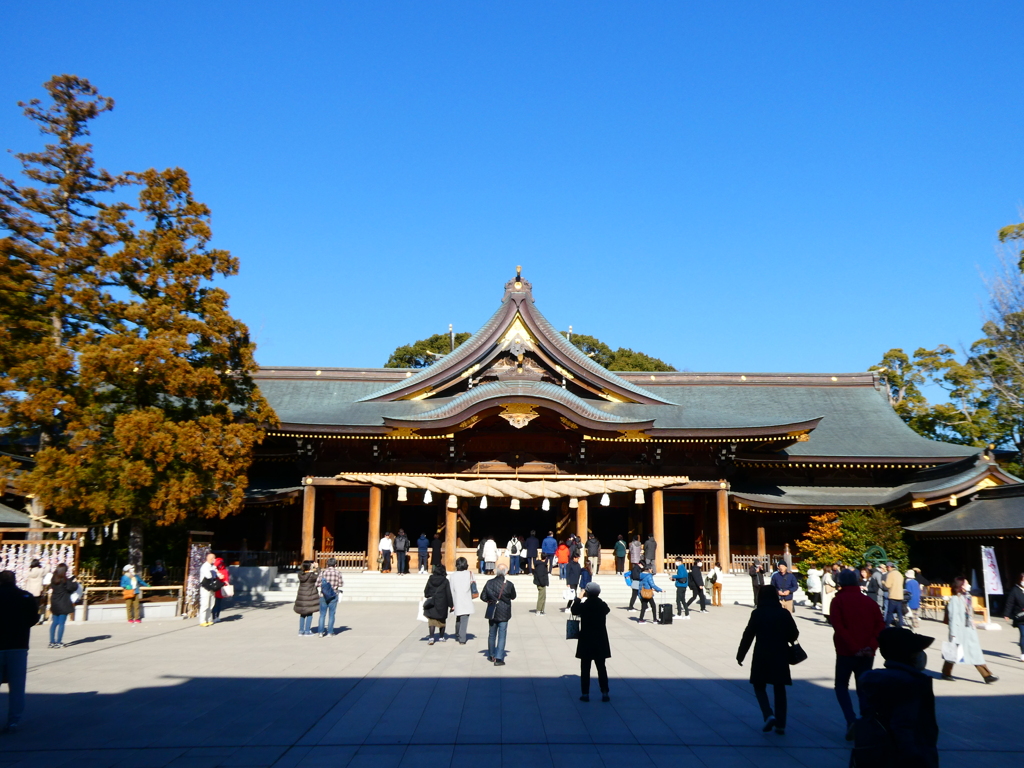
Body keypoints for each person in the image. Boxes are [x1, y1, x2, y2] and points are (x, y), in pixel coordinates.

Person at [852, 628, 938, 768]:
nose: (922, 656)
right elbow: (903, 726)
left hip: (879, 755)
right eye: (917, 652)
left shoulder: (875, 681)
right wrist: (917, 760)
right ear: (909, 656)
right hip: (907, 757)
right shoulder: (910, 685)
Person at [736, 585, 799, 736]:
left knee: (759, 685)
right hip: (780, 653)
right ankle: (781, 725)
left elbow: (748, 635)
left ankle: (768, 714)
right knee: (779, 688)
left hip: (762, 653)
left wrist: (741, 654)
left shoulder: (757, 613)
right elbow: (794, 634)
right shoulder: (783, 613)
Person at [829, 568, 884, 736]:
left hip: (846, 652)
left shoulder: (838, 602)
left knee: (841, 686)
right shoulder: (869, 602)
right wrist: (871, 646)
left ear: (840, 584)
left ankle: (851, 719)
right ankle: (867, 721)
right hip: (867, 654)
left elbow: (839, 627)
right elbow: (880, 626)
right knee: (864, 688)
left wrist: (854, 647)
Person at [0, 570, 38, 733]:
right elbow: (33, 619)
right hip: (18, 644)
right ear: (15, 580)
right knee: (17, 685)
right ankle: (13, 720)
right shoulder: (25, 597)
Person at [941, 576, 997, 683]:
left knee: (975, 653)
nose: (969, 585)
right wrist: (953, 634)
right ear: (961, 586)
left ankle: (987, 675)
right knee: (953, 653)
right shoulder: (954, 600)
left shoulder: (967, 597)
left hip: (969, 631)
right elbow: (953, 618)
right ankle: (946, 672)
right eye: (966, 584)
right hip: (959, 631)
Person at [572, 581, 611, 702]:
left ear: (587, 593)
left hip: (587, 639)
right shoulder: (602, 605)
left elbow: (574, 610)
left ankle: (585, 693)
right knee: (601, 668)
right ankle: (604, 692)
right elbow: (607, 610)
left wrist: (579, 597)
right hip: (600, 639)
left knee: (585, 668)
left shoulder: (585, 606)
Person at [481, 564, 516, 665]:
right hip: (504, 612)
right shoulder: (509, 584)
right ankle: (499, 657)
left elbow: (483, 596)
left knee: (492, 634)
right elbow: (513, 596)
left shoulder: (489, 583)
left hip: (493, 610)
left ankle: (491, 655)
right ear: (505, 572)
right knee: (502, 635)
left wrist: (491, 601)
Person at [47, 563, 78, 648]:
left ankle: (51, 642)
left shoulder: (53, 579)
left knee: (54, 623)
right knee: (61, 623)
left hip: (55, 603)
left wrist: (70, 579)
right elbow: (72, 587)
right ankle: (59, 642)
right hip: (63, 603)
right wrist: (74, 582)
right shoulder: (64, 580)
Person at [423, 564, 454, 644]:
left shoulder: (430, 579)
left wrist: (429, 595)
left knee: (432, 621)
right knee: (442, 621)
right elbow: (448, 594)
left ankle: (431, 637)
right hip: (442, 604)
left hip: (432, 603)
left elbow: (426, 591)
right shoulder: (445, 581)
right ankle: (441, 637)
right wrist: (451, 605)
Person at [448, 557, 477, 643]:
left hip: (456, 599)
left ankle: (458, 634)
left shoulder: (453, 576)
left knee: (458, 618)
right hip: (466, 598)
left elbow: (451, 589)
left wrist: (452, 602)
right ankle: (462, 638)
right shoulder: (470, 574)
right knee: (464, 619)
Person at [317, 557, 344, 637]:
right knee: (331, 614)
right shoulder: (338, 573)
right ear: (335, 565)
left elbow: (317, 583)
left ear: (327, 564)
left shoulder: (323, 572)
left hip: (323, 595)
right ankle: (330, 632)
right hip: (333, 594)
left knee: (322, 614)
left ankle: (320, 632)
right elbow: (341, 584)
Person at [294, 560, 320, 636]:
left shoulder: (300, 574)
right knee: (309, 614)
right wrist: (317, 567)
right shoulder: (312, 576)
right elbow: (320, 576)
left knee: (302, 614)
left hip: (302, 597)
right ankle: (307, 630)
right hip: (310, 596)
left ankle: (301, 630)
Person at [1003, 571, 1024, 661]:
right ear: (1020, 580)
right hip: (1020, 617)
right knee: (1023, 634)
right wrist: (1007, 614)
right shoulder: (1015, 590)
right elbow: (1010, 603)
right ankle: (1023, 653)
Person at [198, 551, 219, 626]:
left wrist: (217, 573)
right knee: (205, 604)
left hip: (211, 587)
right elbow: (209, 576)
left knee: (211, 603)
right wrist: (215, 574)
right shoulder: (205, 566)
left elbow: (218, 573)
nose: (214, 559)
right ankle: (202, 620)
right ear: (208, 558)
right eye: (212, 558)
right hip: (205, 588)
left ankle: (209, 619)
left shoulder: (212, 566)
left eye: (214, 558)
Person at [24, 559, 46, 625]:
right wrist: (47, 564)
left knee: (29, 606)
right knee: (36, 606)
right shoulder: (40, 571)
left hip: (30, 590)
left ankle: (28, 618)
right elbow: (47, 570)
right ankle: (35, 619)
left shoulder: (29, 571)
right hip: (37, 591)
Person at [881, 562, 904, 627]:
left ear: (889, 567)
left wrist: (883, 582)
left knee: (890, 612)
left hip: (893, 595)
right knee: (899, 612)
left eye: (887, 567)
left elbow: (888, 585)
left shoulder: (890, 574)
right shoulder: (900, 574)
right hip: (900, 596)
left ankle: (887, 625)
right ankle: (900, 625)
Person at [212, 557, 230, 623]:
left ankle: (214, 617)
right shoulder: (225, 571)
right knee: (219, 604)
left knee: (215, 604)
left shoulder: (215, 571)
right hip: (222, 589)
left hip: (216, 588)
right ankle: (217, 617)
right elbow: (227, 580)